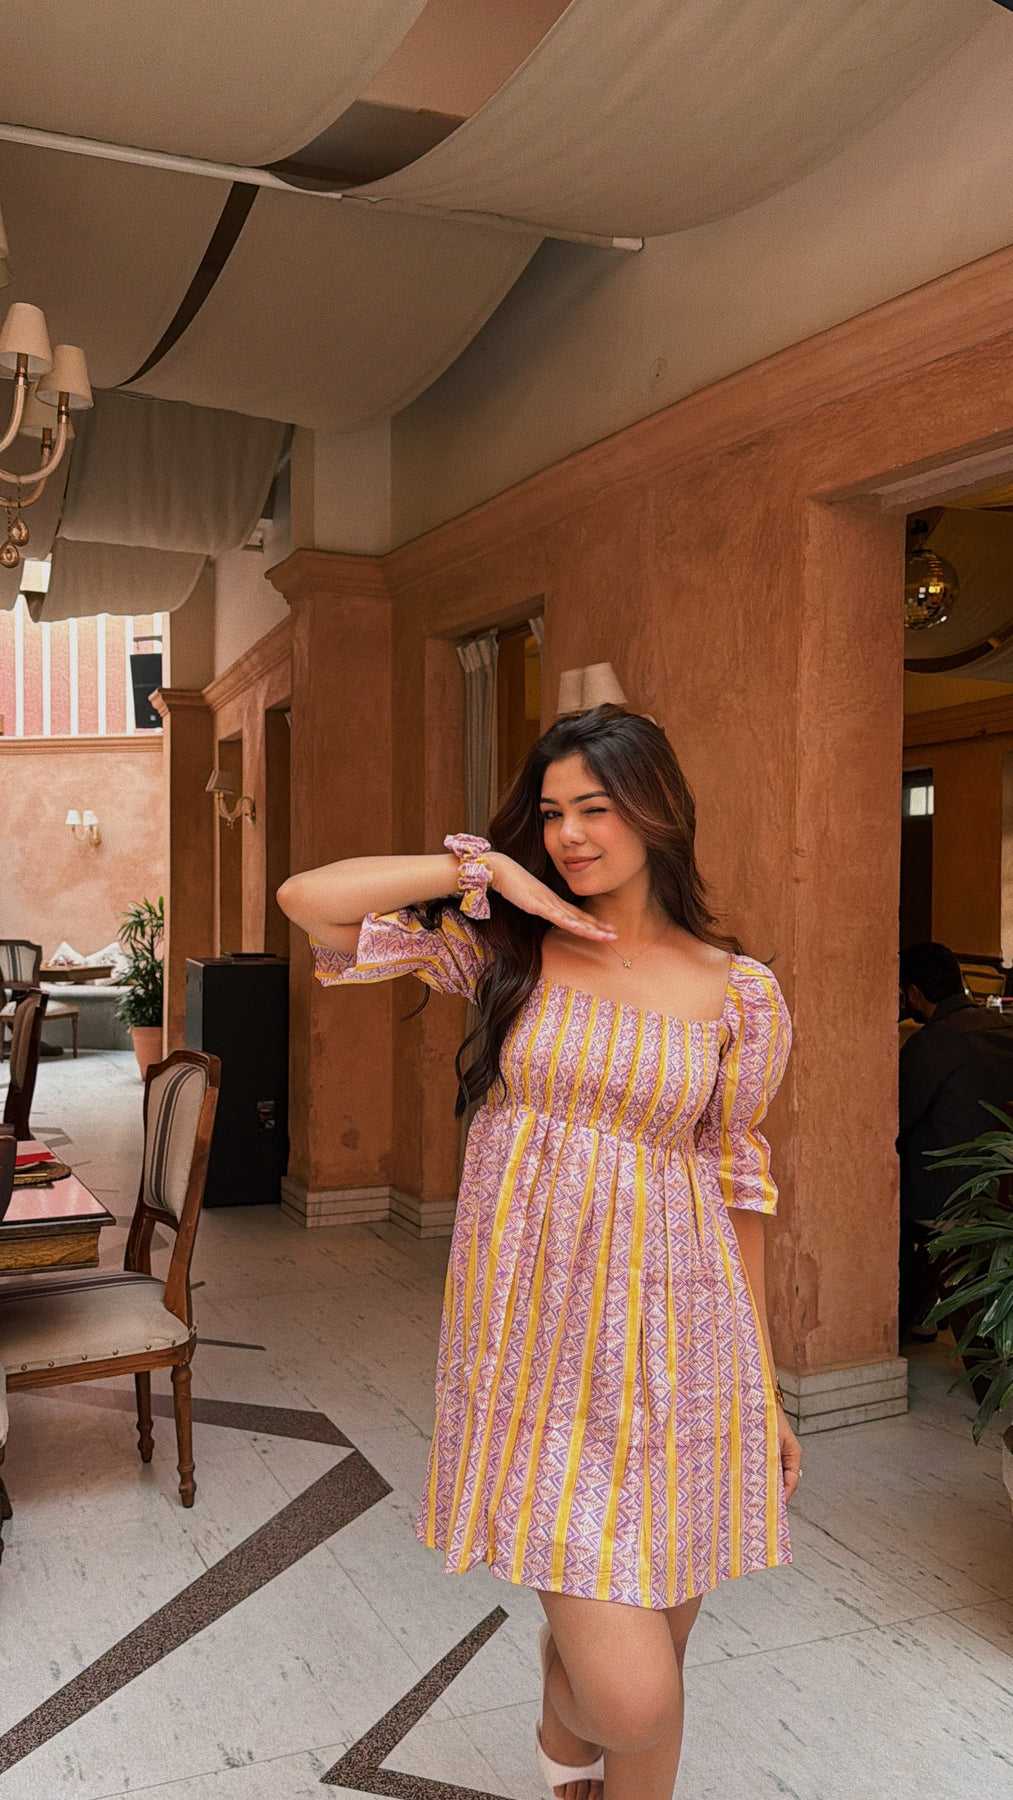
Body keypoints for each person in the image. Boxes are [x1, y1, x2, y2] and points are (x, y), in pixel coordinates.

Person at [279, 704, 801, 1800]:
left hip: (685, 1353)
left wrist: (759, 1389)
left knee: (659, 1658)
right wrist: (483, 872)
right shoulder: (501, 952)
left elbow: (737, 1190)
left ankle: (571, 1739)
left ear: (657, 810)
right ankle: (569, 1718)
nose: (568, 834)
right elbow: (309, 902)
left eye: (594, 808)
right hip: (536, 1354)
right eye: (551, 812)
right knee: (634, 1700)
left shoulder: (738, 992)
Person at [898, 941, 1013, 1341]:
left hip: (948, 1201)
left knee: (878, 1202)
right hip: (1002, 1192)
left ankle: (897, 1319)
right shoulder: (1003, 1027)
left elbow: (894, 1122)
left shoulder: (931, 1043)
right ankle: (921, 1310)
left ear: (913, 994)